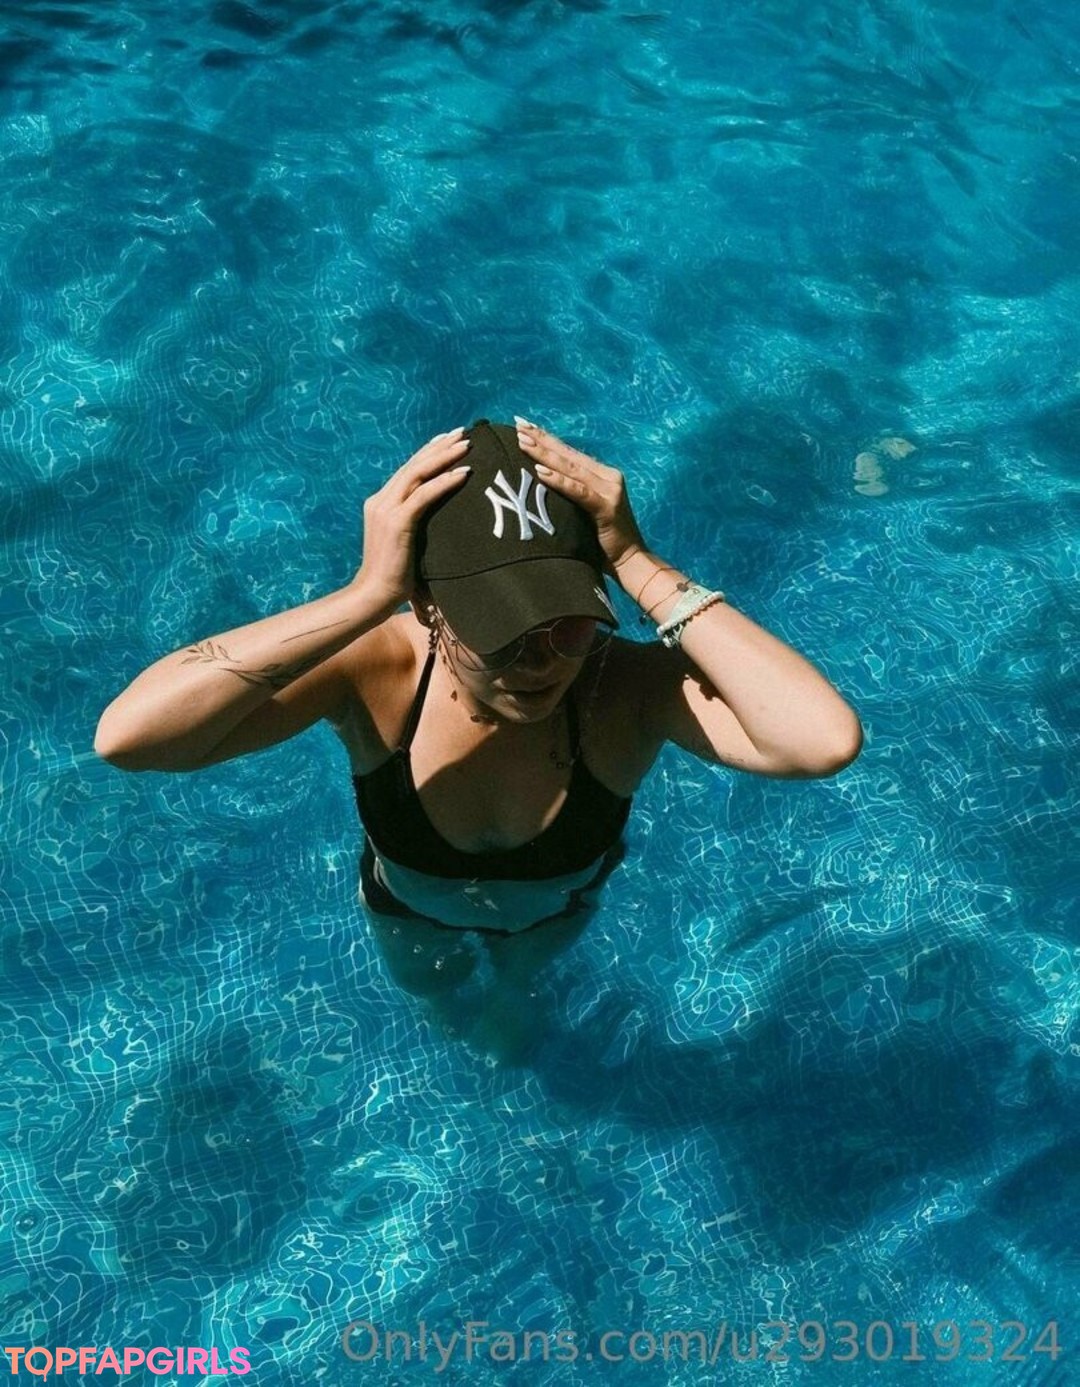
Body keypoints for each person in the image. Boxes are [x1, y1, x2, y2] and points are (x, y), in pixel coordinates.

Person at [95, 417, 863, 1061]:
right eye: (501, 631)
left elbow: (822, 740)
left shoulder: (622, 690)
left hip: (552, 915)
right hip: (406, 910)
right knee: (427, 988)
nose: (540, 662)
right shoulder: (375, 674)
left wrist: (637, 561)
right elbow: (130, 738)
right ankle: (452, 1015)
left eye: (567, 623)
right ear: (427, 603)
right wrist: (365, 596)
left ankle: (507, 1007)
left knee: (518, 989)